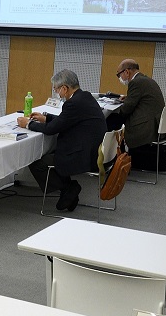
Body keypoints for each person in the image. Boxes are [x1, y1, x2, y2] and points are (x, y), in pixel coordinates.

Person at [17, 69, 105, 212]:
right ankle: (68, 191)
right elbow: (68, 120)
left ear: (65, 88)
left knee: (36, 161)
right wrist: (46, 118)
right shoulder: (85, 96)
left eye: (57, 90)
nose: (57, 93)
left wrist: (27, 124)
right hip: (95, 151)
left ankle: (68, 188)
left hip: (83, 155)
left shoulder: (72, 104)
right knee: (50, 152)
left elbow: (52, 129)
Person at [105, 59, 165, 151]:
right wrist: (128, 98)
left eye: (119, 74)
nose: (119, 78)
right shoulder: (146, 80)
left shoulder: (135, 83)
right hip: (156, 124)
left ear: (126, 72)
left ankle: (113, 154)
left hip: (146, 127)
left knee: (110, 120)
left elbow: (126, 110)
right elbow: (141, 99)